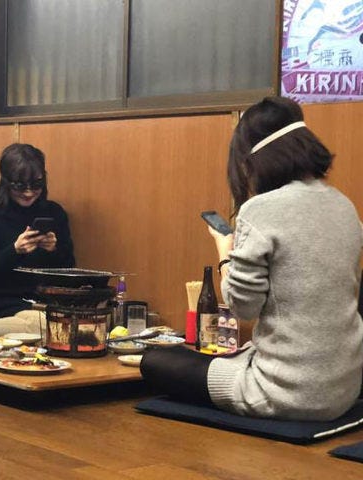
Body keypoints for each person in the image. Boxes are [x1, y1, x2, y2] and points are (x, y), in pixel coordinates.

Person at [141, 96, 363, 421]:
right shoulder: (344, 207)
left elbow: (242, 309)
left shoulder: (260, 210)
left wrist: (225, 250)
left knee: (154, 362)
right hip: (344, 390)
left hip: (283, 392)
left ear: (253, 159)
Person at [0, 143, 75, 332]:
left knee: (65, 324)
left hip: (42, 304)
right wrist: (14, 252)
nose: (28, 192)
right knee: (46, 326)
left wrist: (54, 251)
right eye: (20, 186)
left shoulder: (54, 213)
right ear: (6, 182)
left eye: (36, 185)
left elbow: (69, 273)